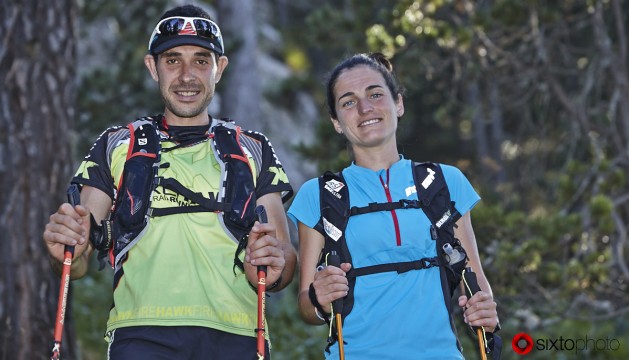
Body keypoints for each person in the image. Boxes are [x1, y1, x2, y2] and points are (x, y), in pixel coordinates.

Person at [43, 5, 296, 359]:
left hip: (238, 334)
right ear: (153, 67)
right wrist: (64, 250)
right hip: (140, 336)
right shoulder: (118, 144)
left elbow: (284, 260)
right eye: (173, 60)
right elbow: (79, 254)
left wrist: (274, 262)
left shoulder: (252, 147)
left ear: (220, 69)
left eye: (201, 60)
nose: (187, 75)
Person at [288, 53, 500, 359]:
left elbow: (476, 281)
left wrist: (484, 309)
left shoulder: (445, 182)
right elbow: (307, 308)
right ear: (336, 122)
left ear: (398, 104)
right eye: (348, 102)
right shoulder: (318, 195)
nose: (365, 108)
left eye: (375, 94)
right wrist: (318, 298)